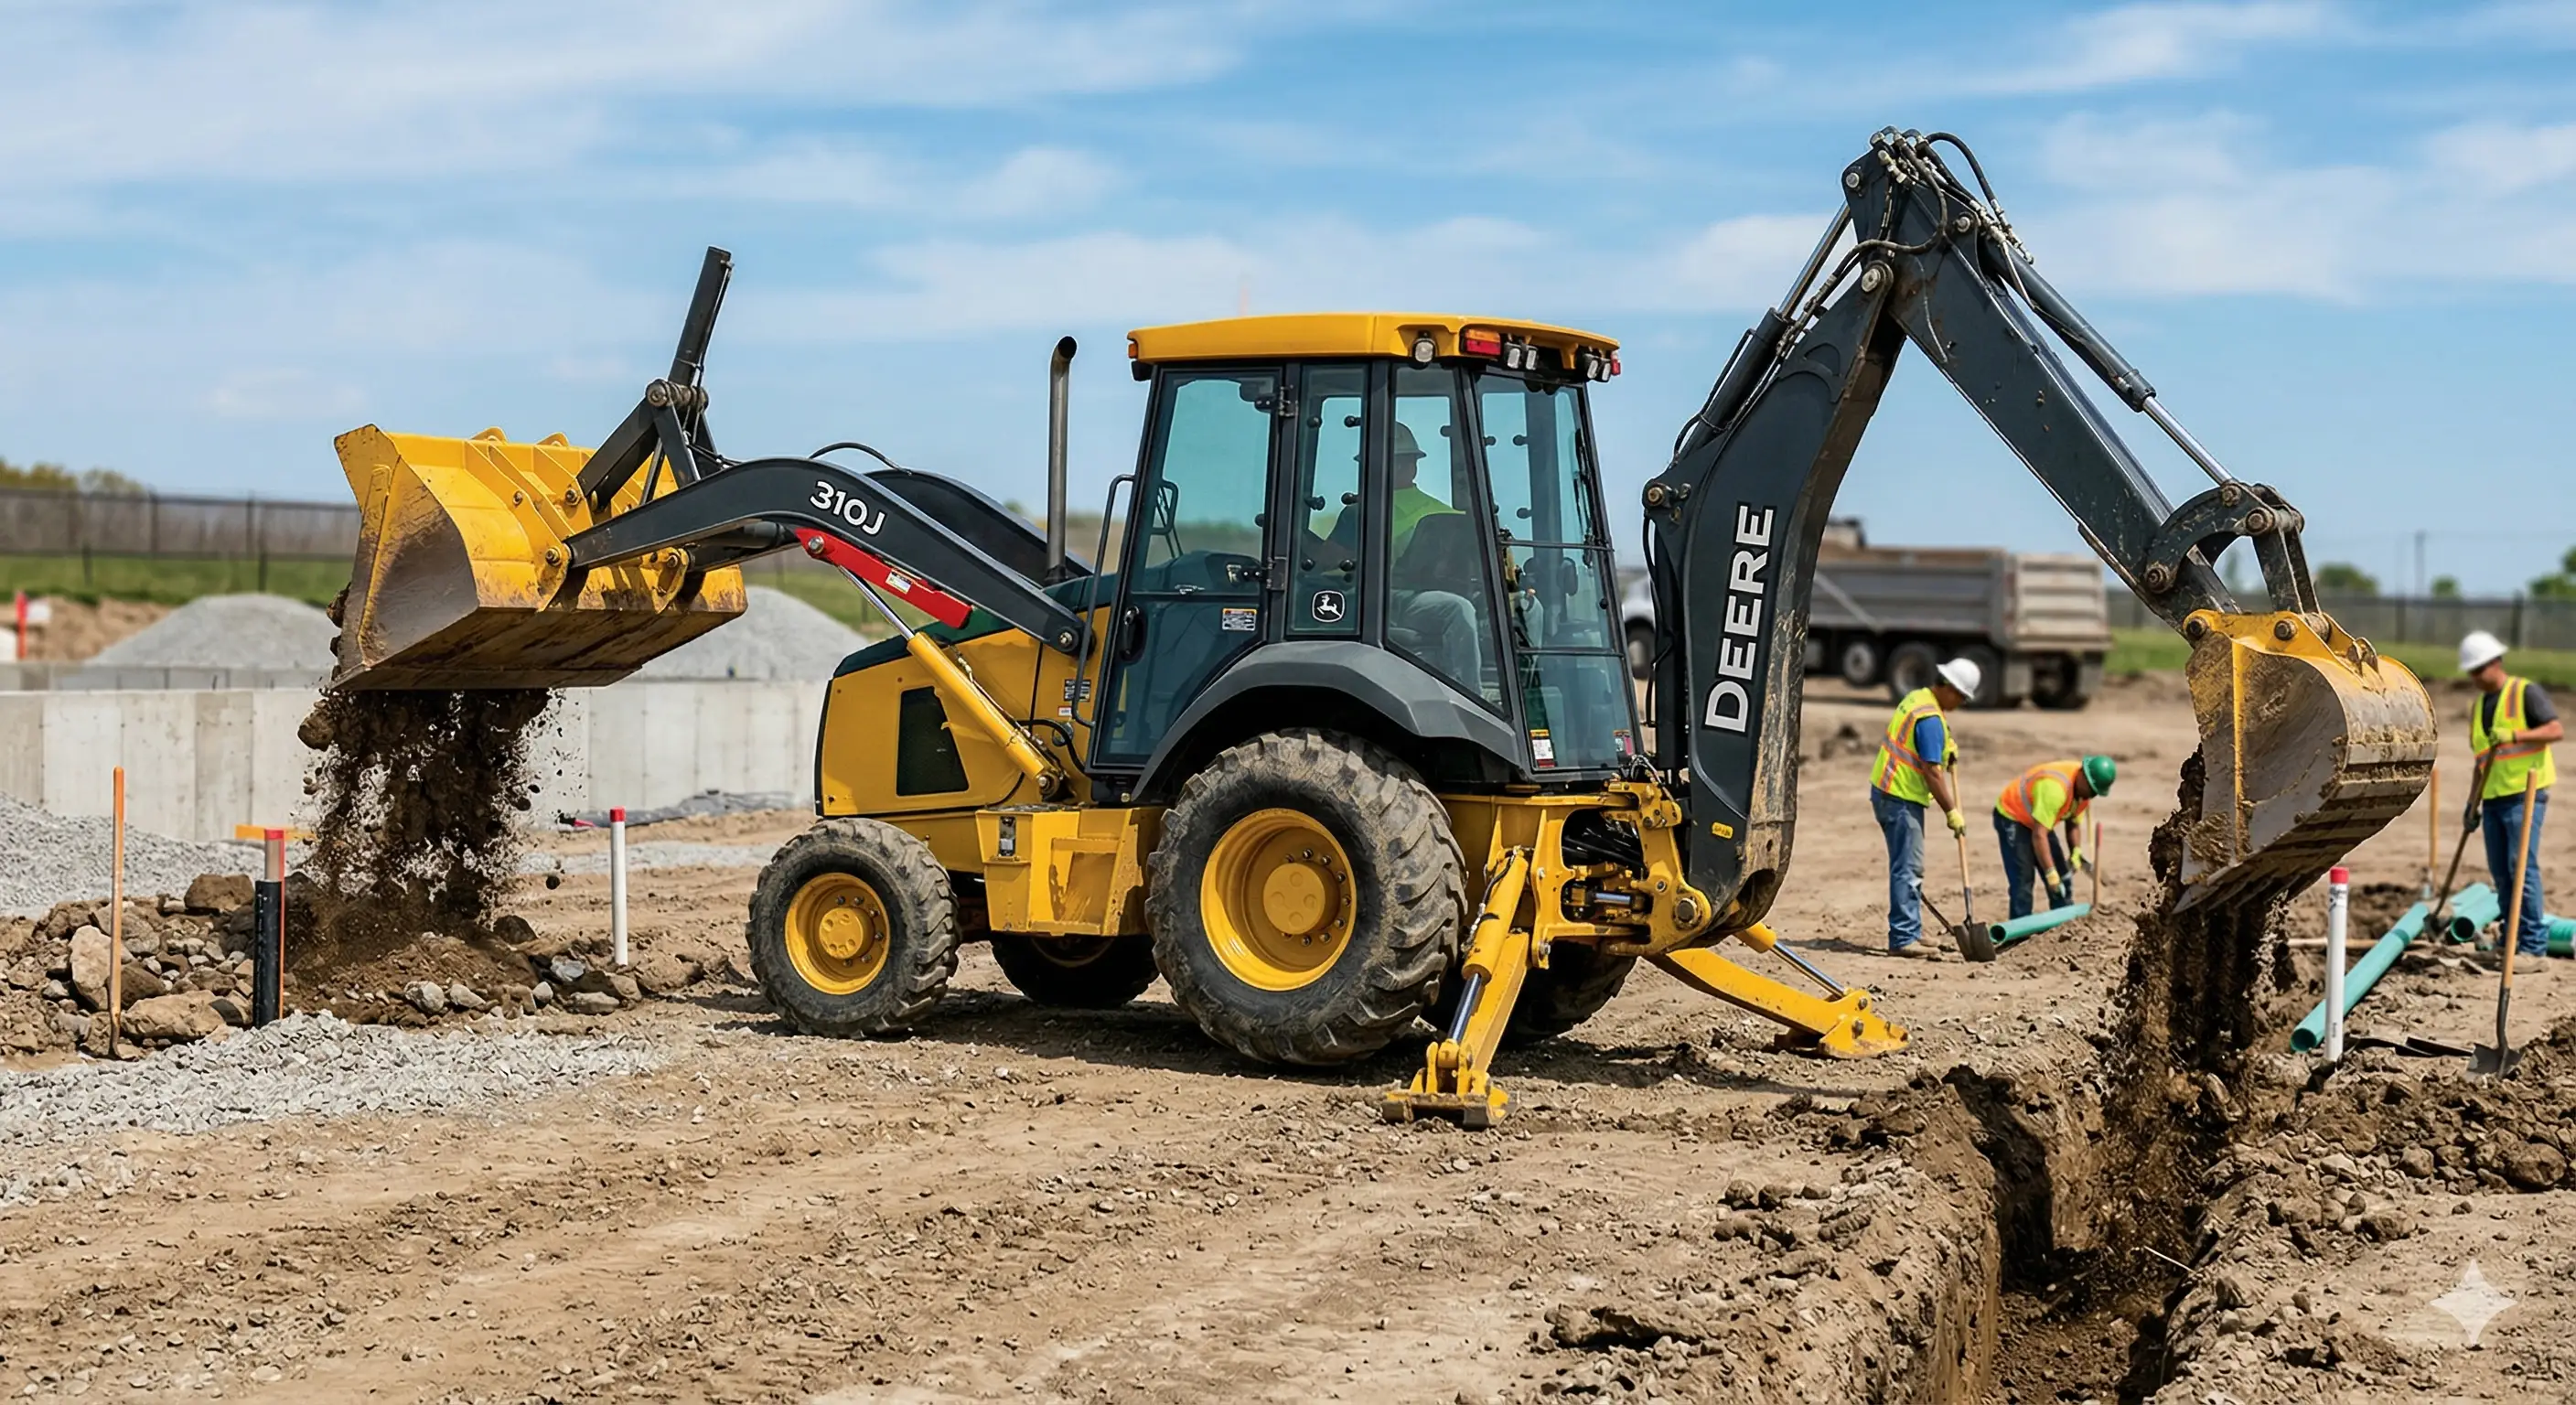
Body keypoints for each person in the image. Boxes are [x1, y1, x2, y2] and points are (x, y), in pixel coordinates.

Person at [1869, 658, 1980, 958]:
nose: (1960, 703)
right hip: (1900, 798)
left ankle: (1911, 929)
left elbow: (1930, 745)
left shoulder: (1920, 698)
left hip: (1888, 791)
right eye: (1961, 697)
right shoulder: (1930, 719)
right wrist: (1952, 811)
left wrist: (1949, 748)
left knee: (1908, 865)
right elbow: (1932, 772)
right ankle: (1904, 936)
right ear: (1950, 688)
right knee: (1908, 867)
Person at [2462, 630, 2560, 966]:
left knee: (2521, 869)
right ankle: (2511, 939)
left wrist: (2516, 734)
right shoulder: (2477, 707)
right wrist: (2471, 804)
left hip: (2525, 795)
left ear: (2495, 663)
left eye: (2478, 670)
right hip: (2492, 800)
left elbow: (2554, 730)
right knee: (2501, 873)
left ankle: (2533, 948)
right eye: (2471, 672)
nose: (2475, 678)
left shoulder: (2525, 692)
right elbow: (2480, 762)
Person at [1386, 423, 1483, 690]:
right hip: (1432, 596)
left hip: (1392, 602)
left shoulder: (1362, 511)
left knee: (1458, 608)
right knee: (1531, 609)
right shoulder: (1444, 511)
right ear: (1414, 465)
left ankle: (1469, 694)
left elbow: (1329, 561)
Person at [1992, 756, 2116, 919]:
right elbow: (2039, 835)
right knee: (2023, 879)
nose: (2092, 795)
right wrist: (2050, 873)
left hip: (2041, 820)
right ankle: (2019, 931)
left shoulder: (2085, 792)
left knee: (2062, 874)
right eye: (2092, 789)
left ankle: (2063, 924)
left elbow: (2073, 823)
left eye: (2096, 792)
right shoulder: (2055, 789)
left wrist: (2076, 851)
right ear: (2083, 777)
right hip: (2014, 815)